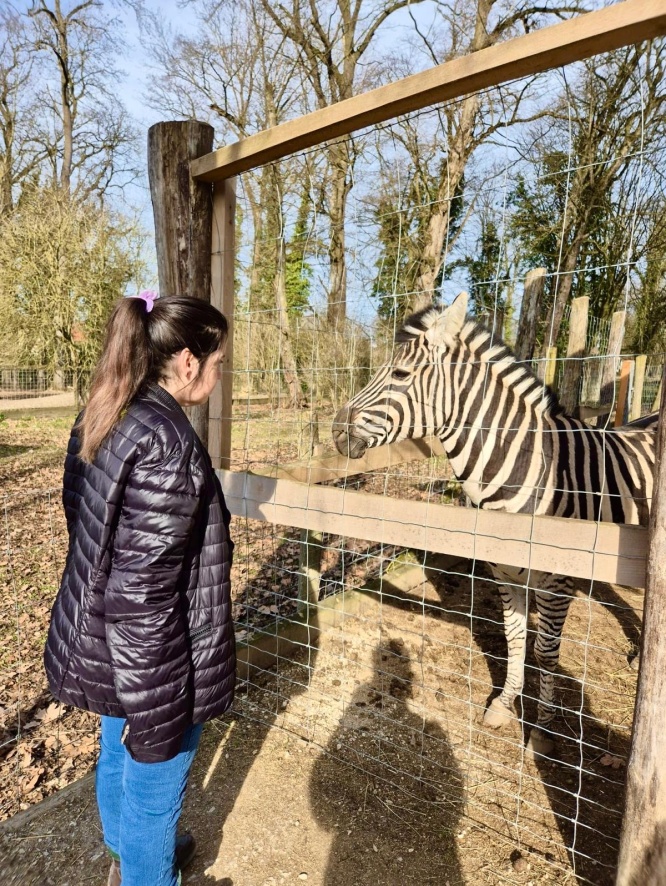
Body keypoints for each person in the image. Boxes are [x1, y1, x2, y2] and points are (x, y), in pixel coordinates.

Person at [43, 292, 236, 886]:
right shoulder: (168, 445)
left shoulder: (106, 409)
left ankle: (123, 851)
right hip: (149, 650)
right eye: (218, 362)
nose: (220, 374)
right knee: (155, 784)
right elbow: (146, 592)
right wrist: (161, 699)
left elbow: (83, 519)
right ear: (187, 361)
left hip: (103, 631)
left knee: (115, 744)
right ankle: (144, 868)